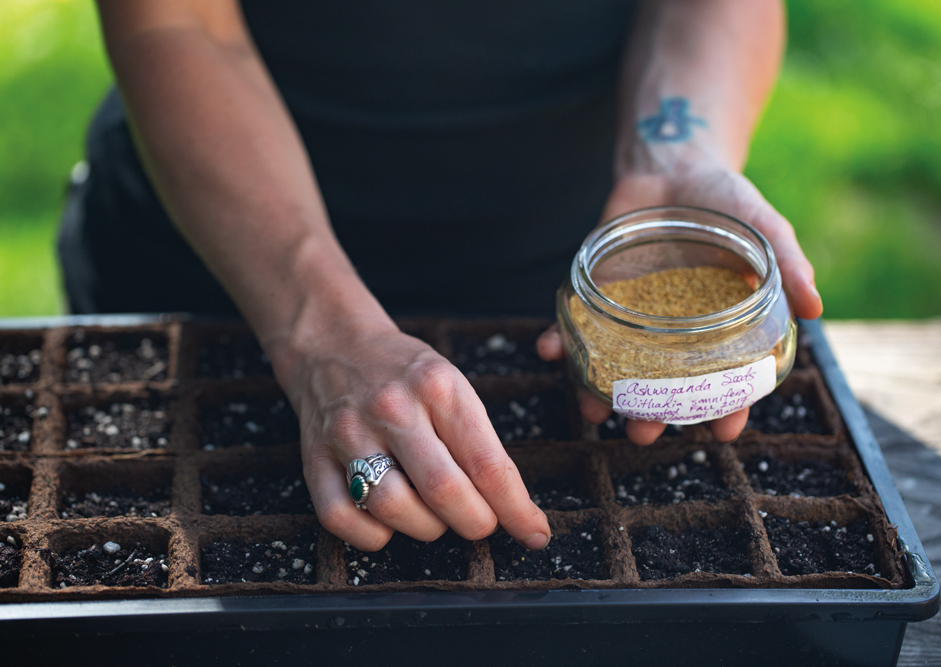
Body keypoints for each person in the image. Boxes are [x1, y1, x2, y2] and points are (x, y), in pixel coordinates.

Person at [59, 0, 823, 553]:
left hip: (567, 284)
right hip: (226, 284)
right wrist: (320, 329)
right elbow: (173, 22)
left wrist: (676, 154)